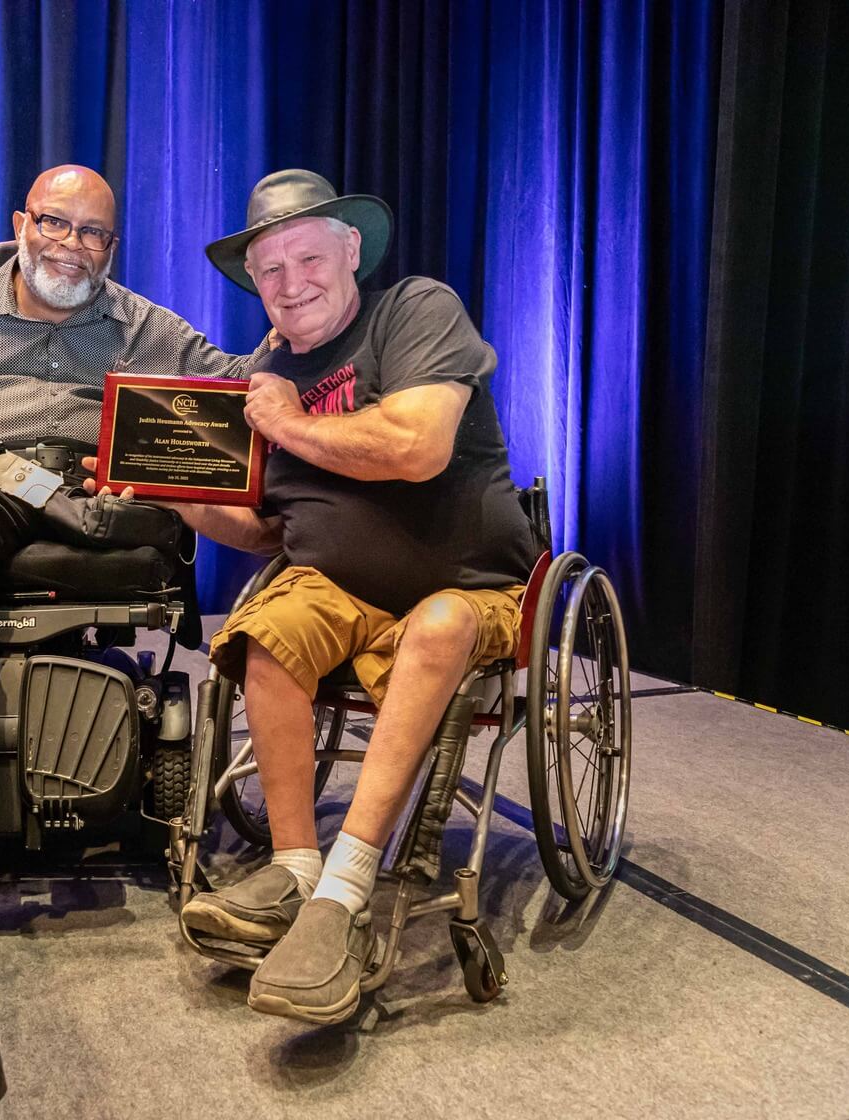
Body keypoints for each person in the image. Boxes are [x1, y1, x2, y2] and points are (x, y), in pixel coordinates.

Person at [172, 169, 538, 1025]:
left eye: (308, 257)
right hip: (336, 586)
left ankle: (344, 891)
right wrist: (169, 489)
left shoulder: (414, 310)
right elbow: (264, 532)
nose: (291, 282)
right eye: (269, 269)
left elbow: (414, 447)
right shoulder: (262, 370)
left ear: (351, 251)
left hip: (466, 582)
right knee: (266, 625)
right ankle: (295, 866)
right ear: (253, 284)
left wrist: (288, 422)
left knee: (441, 622)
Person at [0, 165, 245, 855]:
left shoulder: (146, 328)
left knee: (141, 506)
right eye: (54, 222)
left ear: (112, 247)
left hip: (89, 494)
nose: (71, 243)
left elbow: (239, 387)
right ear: (21, 227)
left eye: (93, 232)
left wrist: (307, 346)